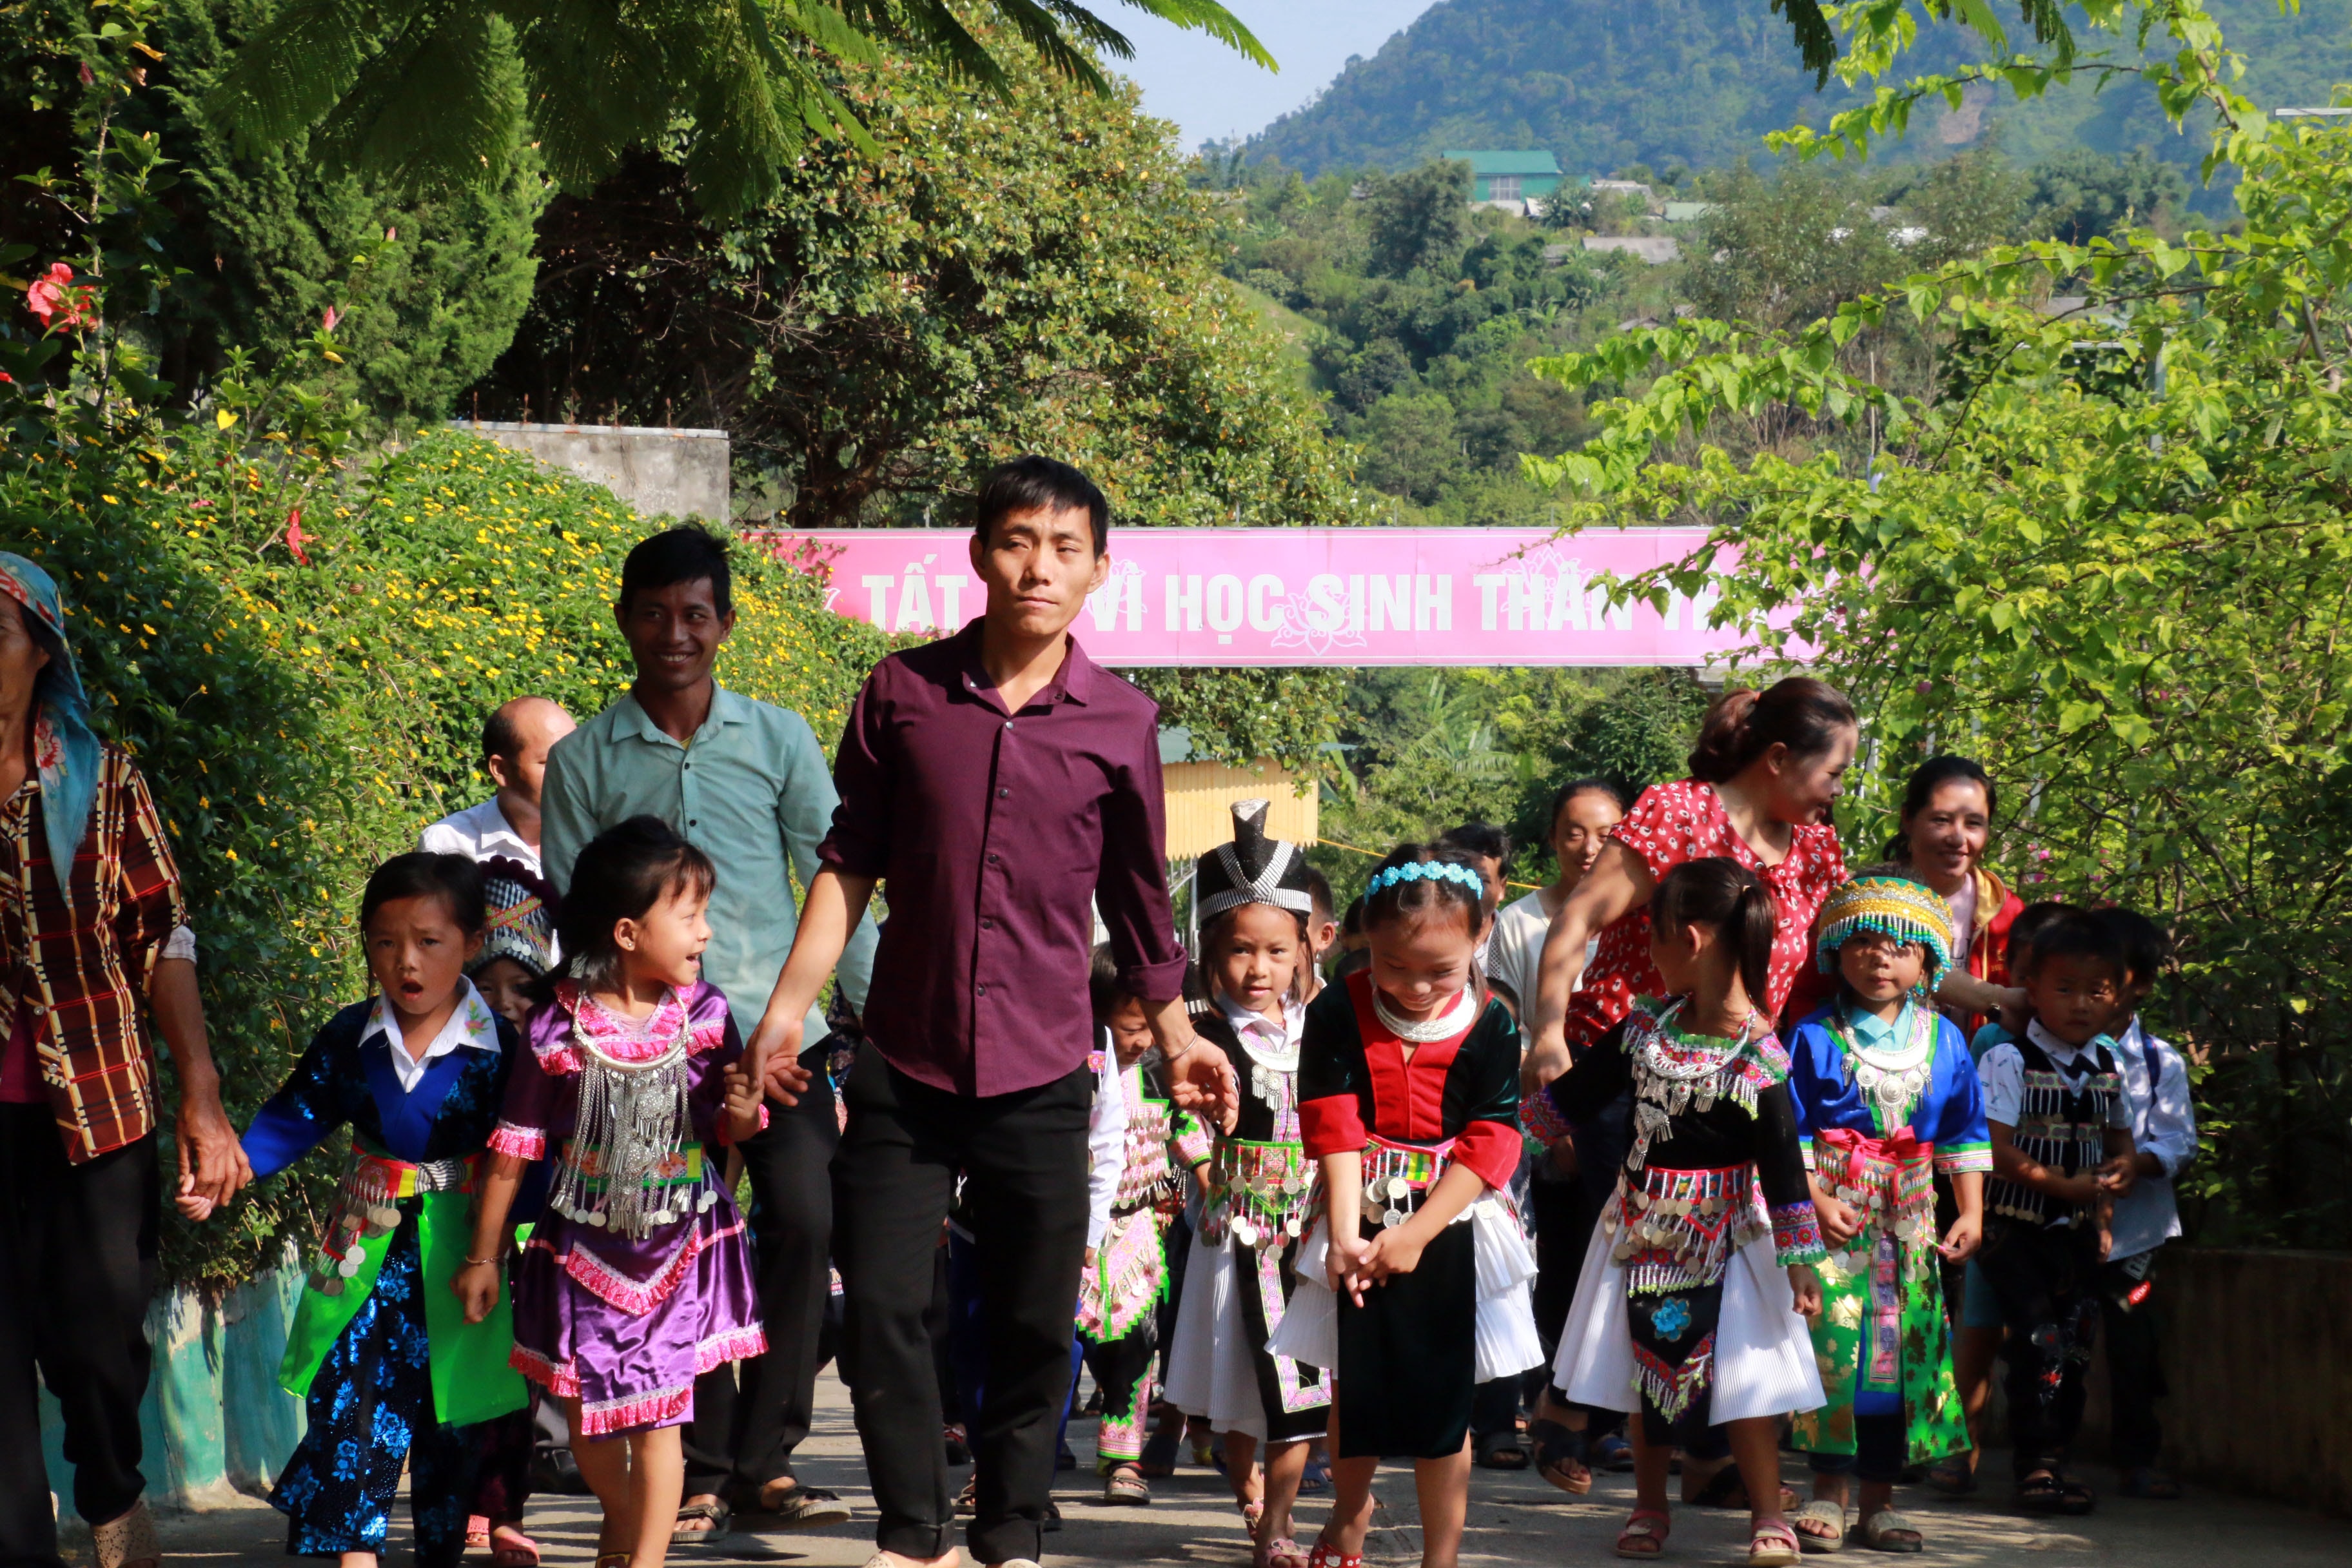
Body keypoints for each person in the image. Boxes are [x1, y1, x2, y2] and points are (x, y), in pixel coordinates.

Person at [747, 456, 1228, 1568]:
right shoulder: (900, 693)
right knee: (878, 1309)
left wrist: (1182, 1031)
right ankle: (913, 1530)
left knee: (1029, 1317)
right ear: (976, 553)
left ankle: (1008, 1526)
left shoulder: (1120, 719)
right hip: (904, 1065)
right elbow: (845, 865)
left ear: (1098, 569)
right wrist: (787, 1013)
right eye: (1017, 540)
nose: (1037, 566)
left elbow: (1139, 899)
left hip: (1046, 1068)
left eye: (1064, 547)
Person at [542, 525, 875, 1535]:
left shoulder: (778, 738)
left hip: (783, 1035)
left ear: (725, 623)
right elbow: (572, 904)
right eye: (653, 614)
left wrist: (876, 1010)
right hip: (645, 1046)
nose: (674, 635)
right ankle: (689, 1462)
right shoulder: (584, 758)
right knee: (666, 1243)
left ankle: (761, 1459)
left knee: (805, 1224)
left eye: (694, 615)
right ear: (624, 622)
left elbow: (838, 883)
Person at [1523, 679, 1854, 1510]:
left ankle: (1695, 1452)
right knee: (1655, 1267)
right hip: (1637, 1068)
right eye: (1835, 768)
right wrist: (1549, 1031)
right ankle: (1579, 1414)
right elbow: (1577, 920)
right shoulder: (1676, 811)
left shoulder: (1816, 846)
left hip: (1736, 1072)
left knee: (1736, 1268)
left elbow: (1821, 973)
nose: (1839, 789)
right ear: (1778, 758)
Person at [0, 554, 248, 1568]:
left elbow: (162, 937)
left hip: (95, 1103)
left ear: (42, 651)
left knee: (100, 1344)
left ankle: (109, 1493)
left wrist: (202, 1095)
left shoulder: (105, 787)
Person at [184, 854, 528, 1567]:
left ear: (471, 940)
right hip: (362, 1251)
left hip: (466, 1255)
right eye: (384, 941)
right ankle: (354, 1554)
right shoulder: (350, 1037)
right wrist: (229, 1171)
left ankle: (442, 1547)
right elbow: (294, 1116)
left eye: (429, 941)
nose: (406, 961)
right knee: (349, 1401)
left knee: (451, 1420)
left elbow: (532, 1157)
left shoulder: (506, 1052)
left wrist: (499, 1253)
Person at [460, 816, 769, 1568]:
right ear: (629, 932)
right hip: (582, 1250)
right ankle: (626, 1524)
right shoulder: (556, 1025)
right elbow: (513, 1147)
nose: (705, 931)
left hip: (676, 1246)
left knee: (663, 1420)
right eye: (689, 914)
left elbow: (730, 1127)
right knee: (593, 1429)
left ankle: (646, 1559)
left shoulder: (705, 1015)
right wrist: (484, 1255)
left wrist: (737, 1111)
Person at [1536, 858, 1827, 1566]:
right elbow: (1570, 1099)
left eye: (1655, 935)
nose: (1648, 952)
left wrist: (1800, 1262)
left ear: (1690, 939)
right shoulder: (1643, 1030)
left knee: (1747, 1383)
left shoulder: (1759, 1057)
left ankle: (1768, 1513)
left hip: (1731, 1235)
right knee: (1648, 1374)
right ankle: (1648, 1505)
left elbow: (1785, 1167)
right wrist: (1495, 1124)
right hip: (1640, 1231)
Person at [1278, 845, 1540, 1568]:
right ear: (1366, 938)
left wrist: (1420, 1232)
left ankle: (1442, 1556)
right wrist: (1342, 1236)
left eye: (1439, 969)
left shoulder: (1491, 1022)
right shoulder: (1336, 1007)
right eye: (1395, 966)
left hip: (1452, 1218)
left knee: (1442, 1398)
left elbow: (1491, 1139)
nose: (1417, 986)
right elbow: (1333, 1122)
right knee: (1356, 1381)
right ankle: (1349, 1510)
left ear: (1480, 936)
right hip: (1353, 1205)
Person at [1782, 878, 1990, 1554]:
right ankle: (1828, 1493)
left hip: (1910, 1218)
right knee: (1835, 1349)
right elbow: (1794, 1133)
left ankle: (1881, 1499)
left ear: (1928, 961)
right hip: (1837, 1215)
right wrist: (1814, 1199)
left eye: (1899, 948)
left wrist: (1972, 1211)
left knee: (1898, 1359)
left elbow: (1964, 1132)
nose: (1880, 959)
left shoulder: (1948, 1040)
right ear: (1837, 952)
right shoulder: (1812, 1035)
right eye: (1864, 943)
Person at [1161, 802, 1328, 1568]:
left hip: (1310, 1230)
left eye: (1274, 951)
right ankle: (1251, 1491)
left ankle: (1281, 1519)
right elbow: (1186, 1120)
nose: (1257, 969)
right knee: (1242, 1379)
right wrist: (1206, 1175)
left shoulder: (1323, 1028)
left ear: (1305, 948)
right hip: (1235, 1232)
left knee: (1298, 1385)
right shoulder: (1201, 1034)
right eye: (1238, 951)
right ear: (1209, 952)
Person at [1973, 911, 2137, 1516]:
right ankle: (2034, 1464)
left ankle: (2056, 1461)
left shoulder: (2108, 1065)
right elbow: (1996, 1150)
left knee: (2075, 1348)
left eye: (2096, 992)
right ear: (2031, 990)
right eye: (2064, 989)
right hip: (2016, 1232)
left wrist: (2113, 1187)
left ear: (2117, 998)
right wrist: (2062, 1186)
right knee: (2038, 1342)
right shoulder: (2009, 1059)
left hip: (2078, 1237)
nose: (2080, 1005)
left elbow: (2119, 1145)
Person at [463, 859, 564, 1564]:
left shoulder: (561, 1053)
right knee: (459, 1365)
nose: (505, 1003)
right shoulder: (448, 1049)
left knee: (518, 1382)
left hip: (533, 1243)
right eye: (485, 986)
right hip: (459, 1238)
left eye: (522, 988)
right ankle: (467, 1501)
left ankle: (503, 1509)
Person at [2091, 908, 2195, 1502]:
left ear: (2141, 984)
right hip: (2057, 1226)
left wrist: (2140, 1162)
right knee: (2051, 1345)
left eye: (2108, 977)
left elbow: (2180, 1141)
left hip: (2136, 1234)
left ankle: (2138, 1458)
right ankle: (2046, 1458)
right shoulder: (2031, 1052)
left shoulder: (2160, 1062)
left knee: (2134, 1346)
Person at [1868, 757, 2026, 1035]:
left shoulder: (2005, 912)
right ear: (1908, 819)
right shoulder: (1869, 899)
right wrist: (1995, 999)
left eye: (1974, 823)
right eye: (1941, 820)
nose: (1958, 838)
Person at [1486, 781, 1627, 1022]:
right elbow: (1505, 1022)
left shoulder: (1647, 921)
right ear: (1553, 838)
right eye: (1575, 835)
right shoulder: (1518, 921)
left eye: (1605, 836)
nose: (1590, 848)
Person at [422, 698, 578, 880]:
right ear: (501, 770)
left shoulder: (601, 831)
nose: (571, 771)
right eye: (551, 761)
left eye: (576, 756)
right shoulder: (450, 844)